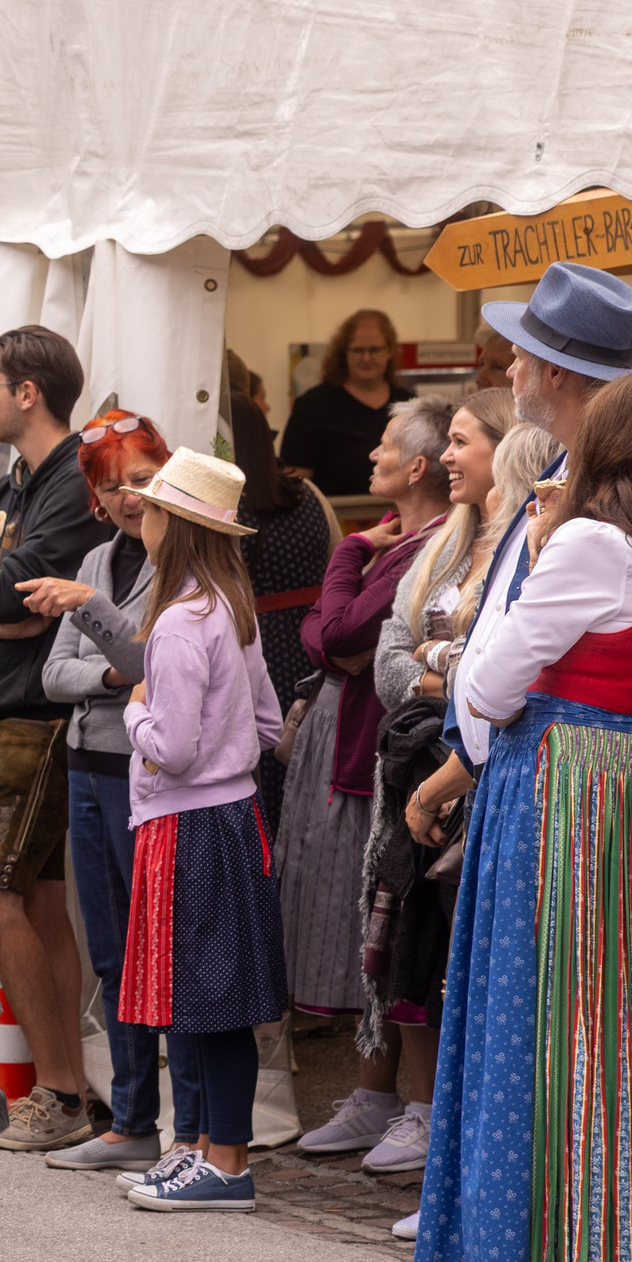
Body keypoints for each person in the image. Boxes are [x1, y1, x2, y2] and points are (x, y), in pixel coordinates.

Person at [377, 259, 632, 1262]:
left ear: (550, 368)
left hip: (562, 785)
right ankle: (506, 1256)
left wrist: (466, 726)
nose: (500, 366)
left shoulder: (583, 517)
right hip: (556, 777)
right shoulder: (585, 494)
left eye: (515, 351)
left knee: (524, 1026)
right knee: (518, 1023)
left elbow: (498, 671)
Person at [435, 369, 632, 1262]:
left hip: (569, 810)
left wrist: (522, 560)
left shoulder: (586, 546)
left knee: (556, 1052)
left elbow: (485, 685)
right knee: (621, 1061)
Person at [335, 393, 518, 1208]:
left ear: (508, 451)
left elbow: (504, 669)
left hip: (480, 776)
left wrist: (452, 672)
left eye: (461, 441)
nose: (447, 456)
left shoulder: (527, 543)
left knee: (460, 962)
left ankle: (445, 1141)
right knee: (407, 945)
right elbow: (386, 658)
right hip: (412, 768)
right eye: (444, 442)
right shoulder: (446, 541)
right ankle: (414, 1113)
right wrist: (452, 670)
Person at [0, 325, 111, 1151]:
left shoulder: (73, 483)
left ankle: (61, 1093)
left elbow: (0, 600)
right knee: (37, 900)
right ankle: (64, 1091)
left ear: (28, 393)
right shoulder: (10, 483)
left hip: (29, 723)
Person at [113, 447, 289, 1213]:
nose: (140, 519)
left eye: (150, 508)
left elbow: (175, 747)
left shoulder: (181, 623)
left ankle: (223, 1162)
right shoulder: (231, 606)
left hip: (188, 824)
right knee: (221, 999)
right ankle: (216, 1151)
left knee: (209, 1000)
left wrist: (135, 712)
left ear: (173, 526)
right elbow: (269, 724)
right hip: (234, 815)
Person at [20, 409, 192, 1174]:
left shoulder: (184, 560)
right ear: (94, 494)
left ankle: (187, 1127)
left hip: (149, 772)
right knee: (112, 949)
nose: (131, 498)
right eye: (115, 485)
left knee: (163, 945)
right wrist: (114, 676)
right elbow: (57, 676)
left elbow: (153, 657)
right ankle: (129, 1118)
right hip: (89, 768)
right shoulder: (95, 561)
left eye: (145, 481)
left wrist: (109, 645)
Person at [276, 399, 452, 1046]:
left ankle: (394, 1098)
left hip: (372, 748)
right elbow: (329, 641)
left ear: (416, 466)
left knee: (370, 927)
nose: (370, 453)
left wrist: (347, 553)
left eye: (383, 443)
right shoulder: (396, 536)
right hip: (350, 737)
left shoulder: (409, 549)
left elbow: (342, 635)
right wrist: (330, 629)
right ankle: (375, 1094)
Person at [229, 388, 336, 827]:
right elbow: (335, 553)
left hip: (255, 642)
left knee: (264, 753)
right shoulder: (307, 492)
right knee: (304, 751)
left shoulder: (228, 507)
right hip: (309, 640)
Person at [280, 308, 413, 494]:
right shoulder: (313, 405)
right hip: (335, 519)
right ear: (344, 353)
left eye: (374, 349)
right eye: (358, 350)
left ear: (390, 351)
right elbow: (293, 484)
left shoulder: (409, 405)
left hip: (401, 517)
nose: (366, 358)